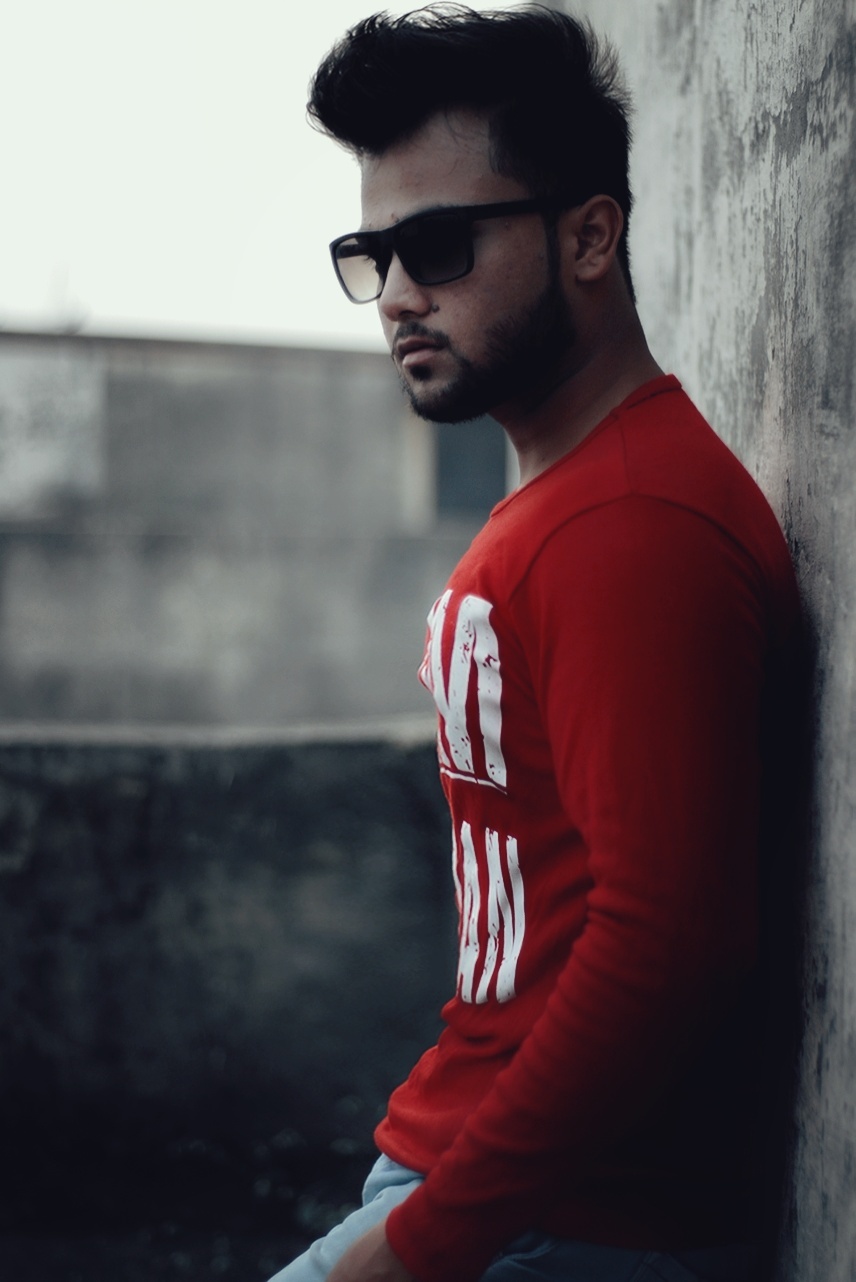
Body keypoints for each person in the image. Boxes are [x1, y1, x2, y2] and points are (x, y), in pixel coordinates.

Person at [268, 6, 800, 1281]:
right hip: (486, 1188)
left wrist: (424, 1243)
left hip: (554, 1223)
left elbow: (663, 941)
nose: (400, 294)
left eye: (439, 245)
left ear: (589, 236)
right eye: (373, 255)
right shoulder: (570, 498)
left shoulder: (631, 522)